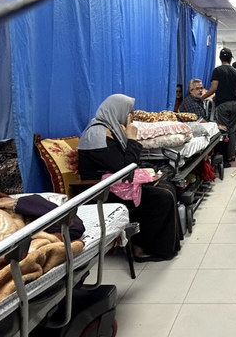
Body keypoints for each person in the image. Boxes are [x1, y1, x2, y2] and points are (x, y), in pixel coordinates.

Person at [78, 94, 182, 262]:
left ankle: (160, 246)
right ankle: (140, 247)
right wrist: (132, 139)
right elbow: (124, 169)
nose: (131, 117)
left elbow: (124, 166)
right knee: (161, 197)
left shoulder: (110, 129)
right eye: (129, 112)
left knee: (166, 186)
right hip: (101, 192)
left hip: (115, 184)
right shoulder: (97, 134)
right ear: (117, 111)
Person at [201, 47, 236, 165]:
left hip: (222, 104)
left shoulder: (217, 70)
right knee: (232, 130)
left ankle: (224, 158)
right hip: (235, 103)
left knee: (223, 130)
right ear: (230, 58)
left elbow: (214, 88)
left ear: (220, 58)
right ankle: (232, 155)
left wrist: (202, 98)